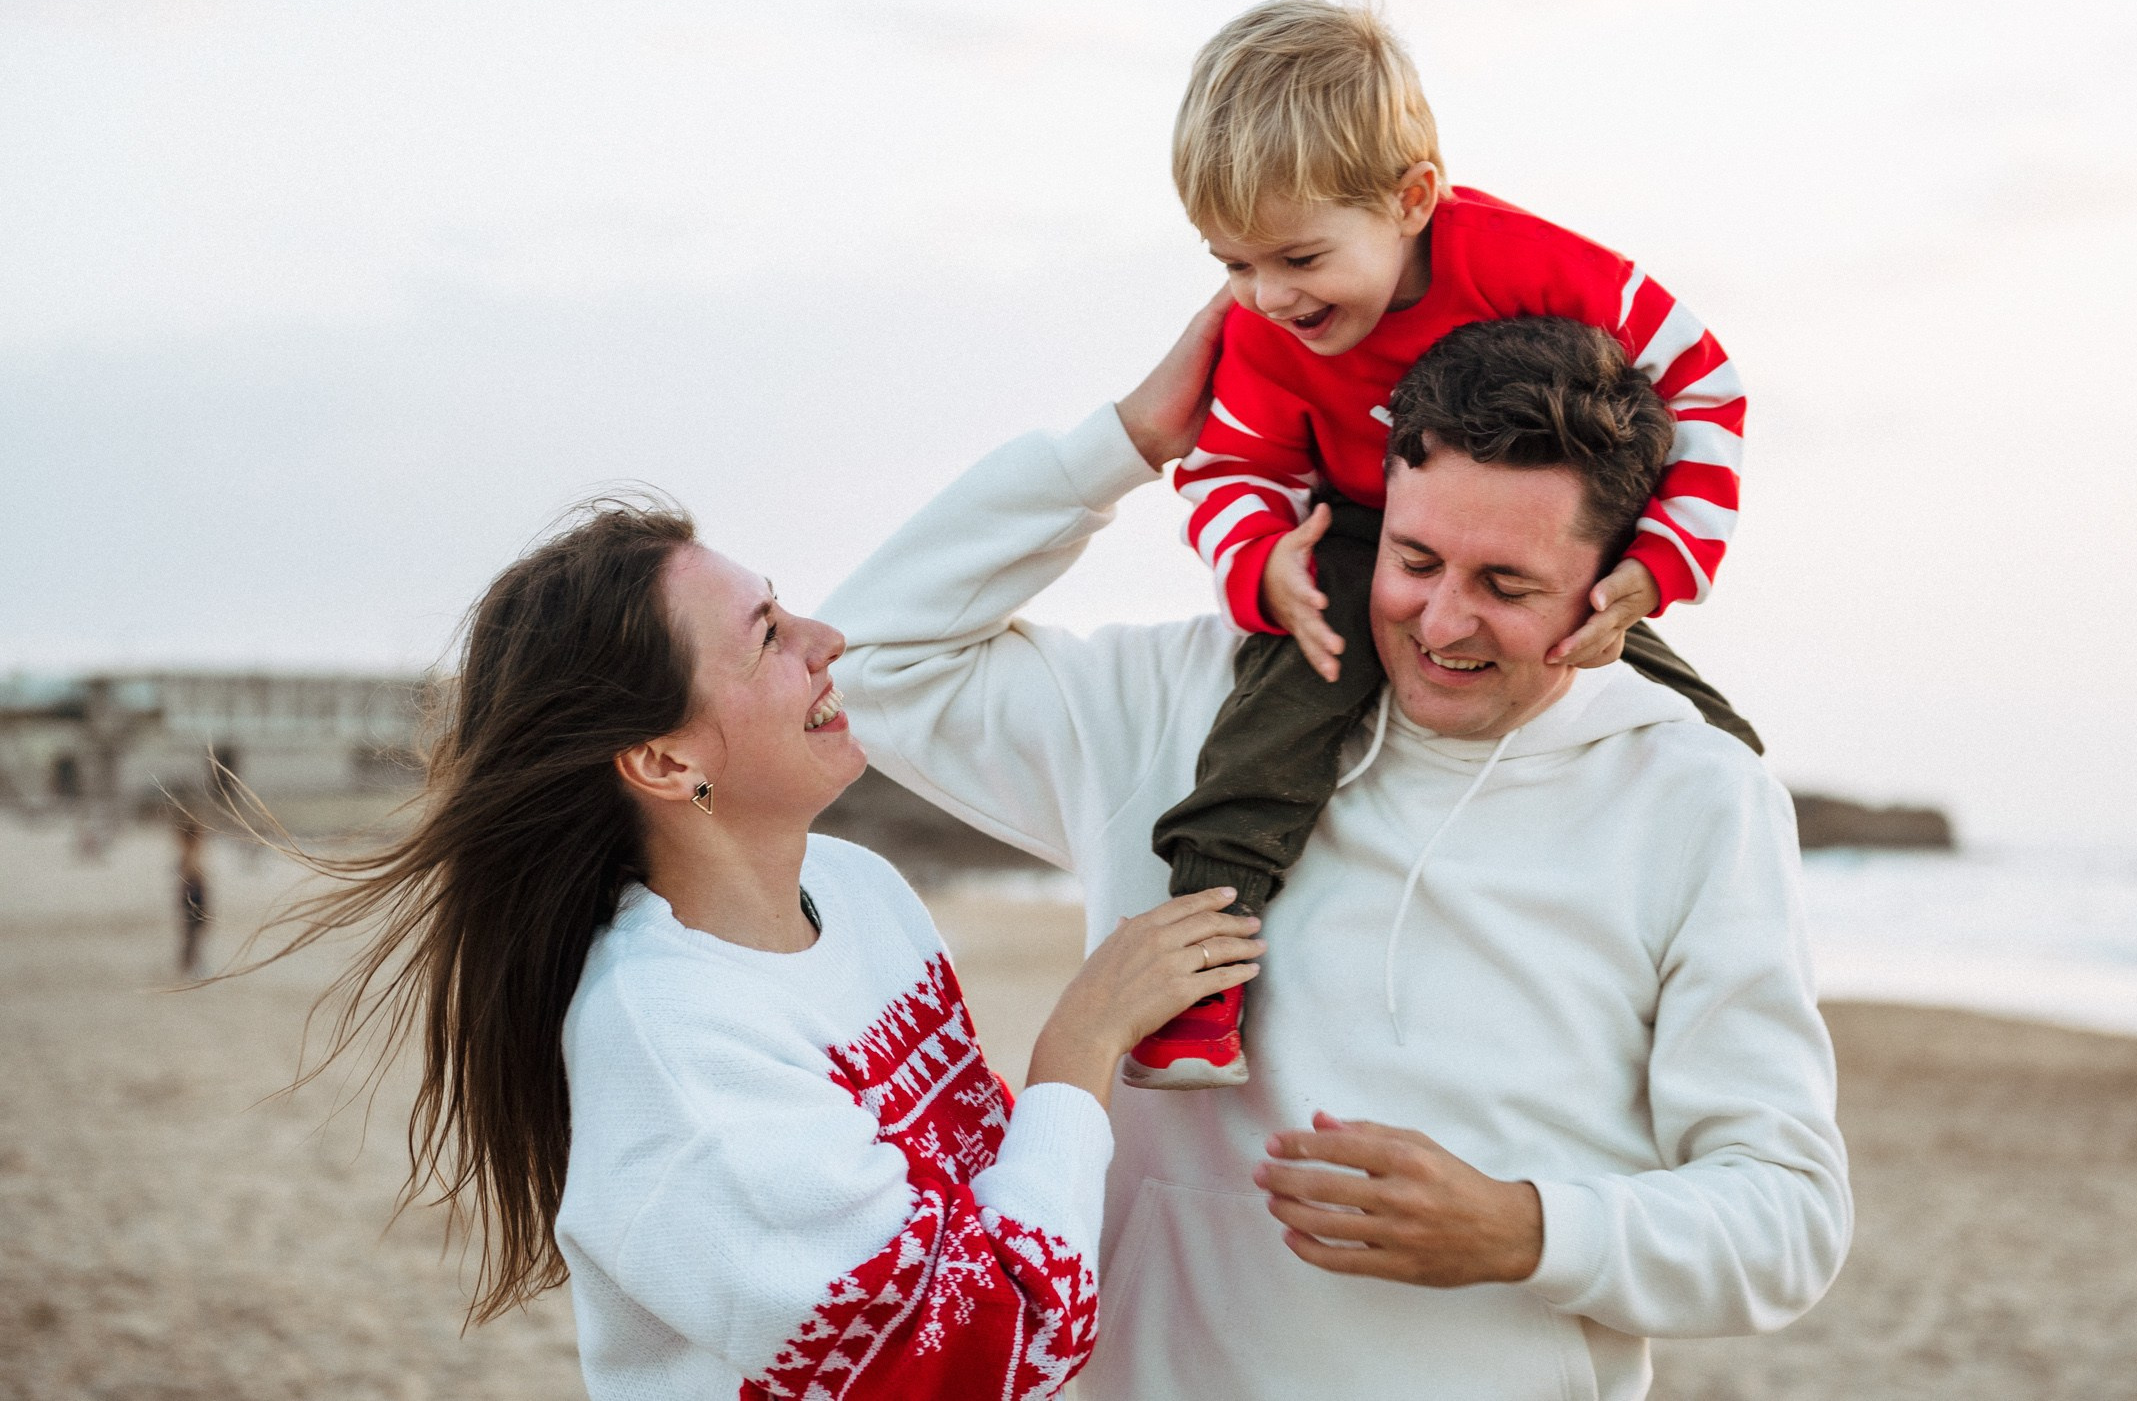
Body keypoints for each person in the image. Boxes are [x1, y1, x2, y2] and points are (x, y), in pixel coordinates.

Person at [823, 308, 1850, 1401]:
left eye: (1505, 585)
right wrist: (1124, 441)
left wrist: (1523, 1228)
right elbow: (870, 661)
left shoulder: (1695, 796)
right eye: (1413, 559)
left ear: (1616, 586)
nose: (1441, 621)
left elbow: (1786, 1217)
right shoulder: (1183, 704)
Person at [248, 499, 1261, 1400]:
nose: (828, 640)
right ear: (662, 758)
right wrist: (1078, 1046)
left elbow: (975, 1202)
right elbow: (984, 1359)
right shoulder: (672, 1043)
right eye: (768, 634)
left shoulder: (861, 887)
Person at [1133, 0, 1759, 1088]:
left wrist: (1653, 565)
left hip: (1524, 544)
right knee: (1278, 715)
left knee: (1705, 732)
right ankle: (1200, 983)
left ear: (1414, 199)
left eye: (1297, 257)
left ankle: (1728, 930)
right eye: (1231, 264)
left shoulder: (1522, 260)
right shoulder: (1266, 333)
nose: (1267, 296)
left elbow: (1702, 379)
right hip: (1349, 532)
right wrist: (1261, 561)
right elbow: (1230, 467)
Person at [173, 810, 210, 978]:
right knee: (193, 931)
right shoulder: (190, 852)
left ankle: (189, 963)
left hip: (191, 892)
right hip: (193, 892)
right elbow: (192, 877)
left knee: (192, 931)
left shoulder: (189, 851)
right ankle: (190, 964)